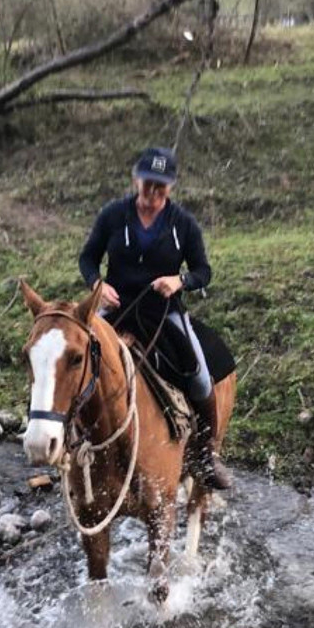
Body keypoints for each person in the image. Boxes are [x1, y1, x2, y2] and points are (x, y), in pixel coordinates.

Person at [78, 147, 232, 490]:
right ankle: (67, 436)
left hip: (163, 310)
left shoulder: (183, 224)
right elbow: (88, 258)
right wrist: (97, 284)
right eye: (147, 187)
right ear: (136, 181)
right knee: (76, 356)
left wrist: (180, 281)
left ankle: (206, 453)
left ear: (171, 189)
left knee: (200, 375)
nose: (152, 196)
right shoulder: (113, 215)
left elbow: (203, 271)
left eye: (160, 190)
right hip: (117, 308)